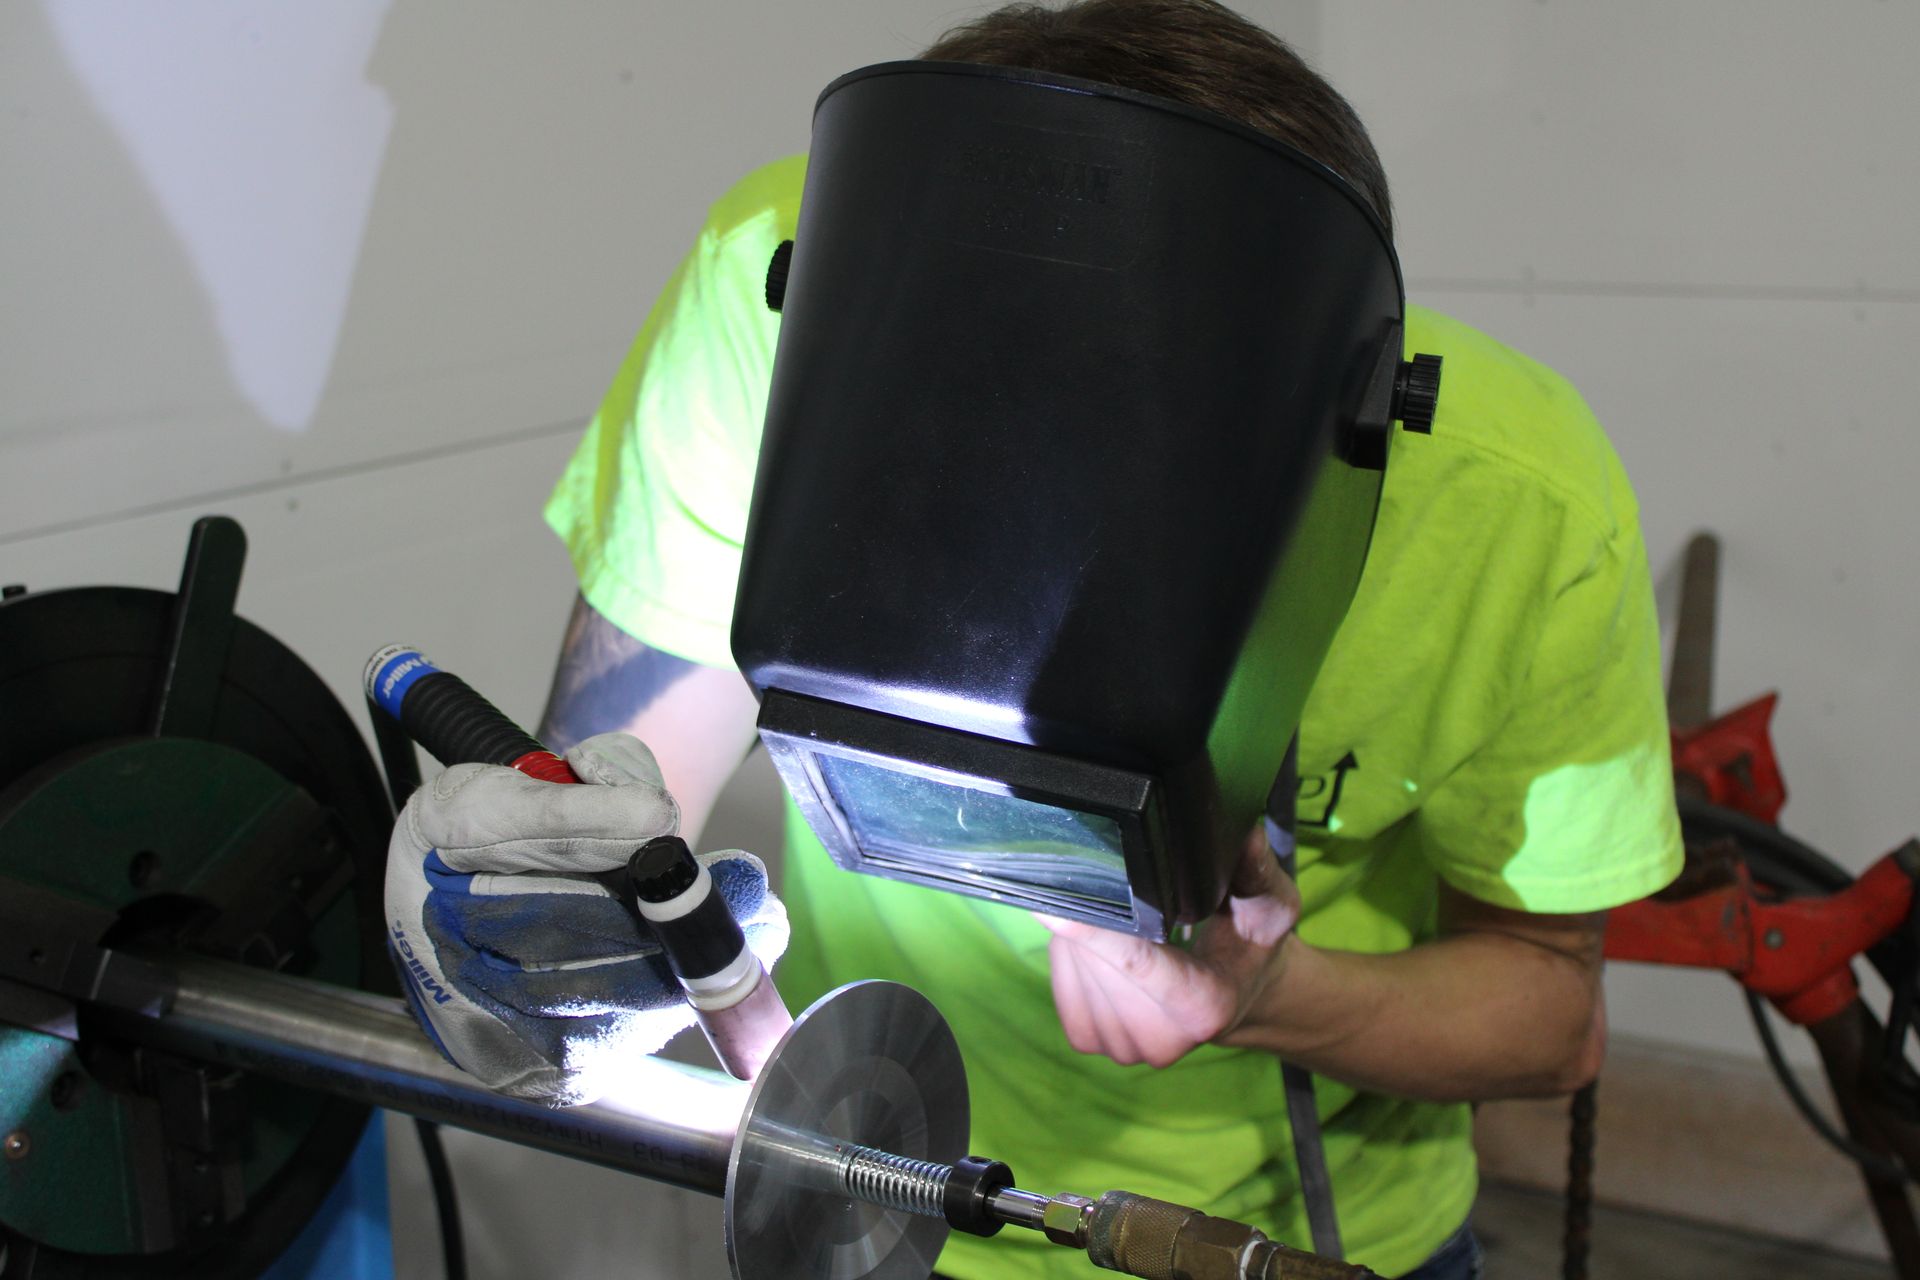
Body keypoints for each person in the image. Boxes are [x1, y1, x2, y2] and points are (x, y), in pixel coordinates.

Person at [399, 3, 1684, 1277]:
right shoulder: (779, 289)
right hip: (881, 1182)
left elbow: (1550, 1010)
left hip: (1299, 1230)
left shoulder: (1524, 512)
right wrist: (546, 914)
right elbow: (617, 794)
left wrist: (1263, 995)